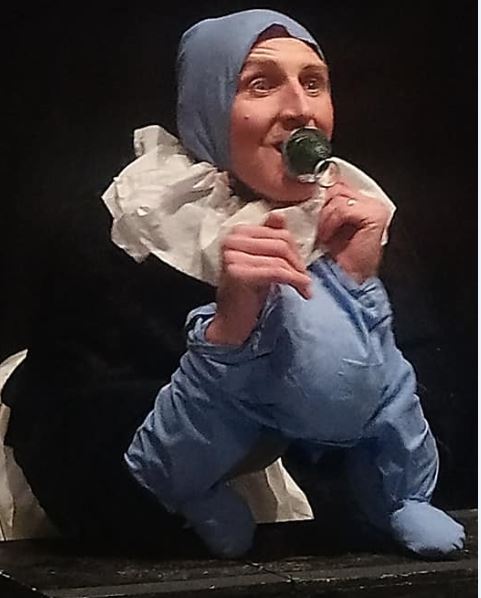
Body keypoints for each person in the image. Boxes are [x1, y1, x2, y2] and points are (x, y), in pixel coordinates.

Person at [3, 9, 464, 558]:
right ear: (209, 105)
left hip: (321, 543)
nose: (299, 109)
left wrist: (359, 293)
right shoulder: (127, 231)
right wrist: (225, 339)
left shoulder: (362, 223)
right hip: (141, 540)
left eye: (313, 83)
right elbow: (77, 453)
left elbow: (434, 420)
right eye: (260, 84)